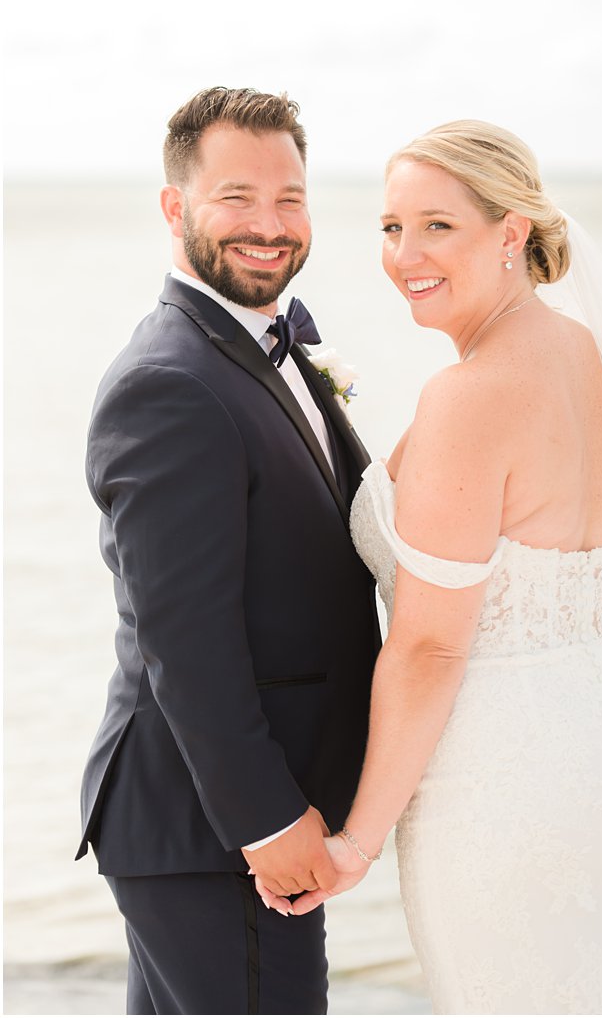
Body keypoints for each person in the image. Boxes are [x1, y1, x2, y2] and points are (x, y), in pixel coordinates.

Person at [256, 120, 602, 1014]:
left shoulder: (469, 395)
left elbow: (430, 650)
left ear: (512, 233)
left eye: (438, 225)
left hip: (511, 787)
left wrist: (356, 845)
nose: (405, 252)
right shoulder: (591, 357)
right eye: (389, 227)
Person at [78, 86, 381, 1014]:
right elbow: (187, 637)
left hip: (226, 832)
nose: (269, 224)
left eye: (289, 198)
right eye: (236, 198)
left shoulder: (255, 350)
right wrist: (266, 819)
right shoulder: (170, 383)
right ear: (175, 207)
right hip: (220, 835)